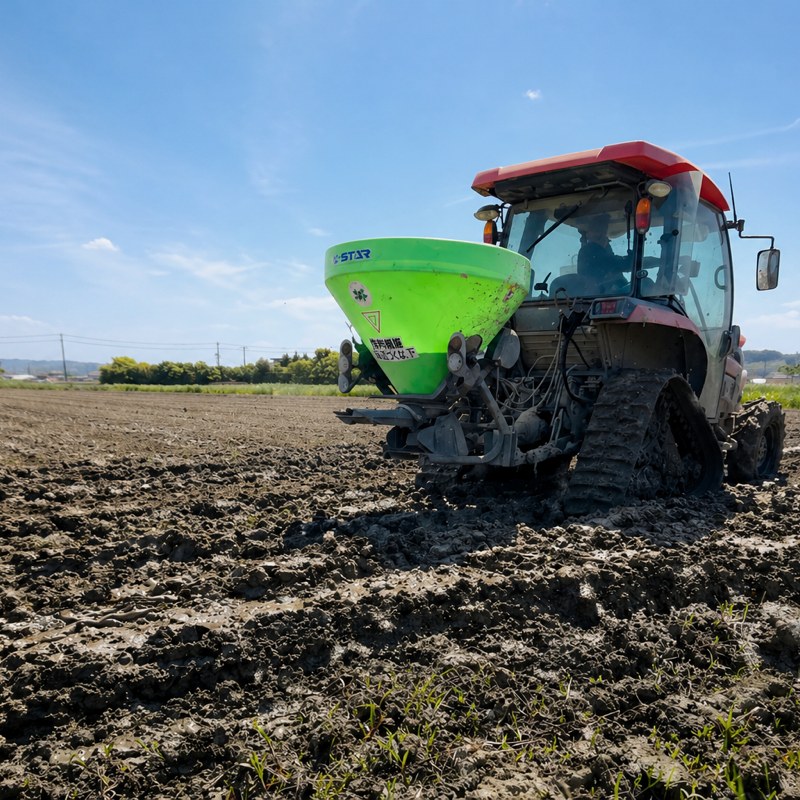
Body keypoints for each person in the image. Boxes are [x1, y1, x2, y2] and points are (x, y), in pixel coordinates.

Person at [577, 214, 630, 293]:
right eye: (600, 231)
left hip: (601, 290)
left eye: (604, 232)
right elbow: (615, 263)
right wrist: (633, 259)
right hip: (598, 293)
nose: (604, 237)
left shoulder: (601, 250)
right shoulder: (592, 250)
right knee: (645, 283)